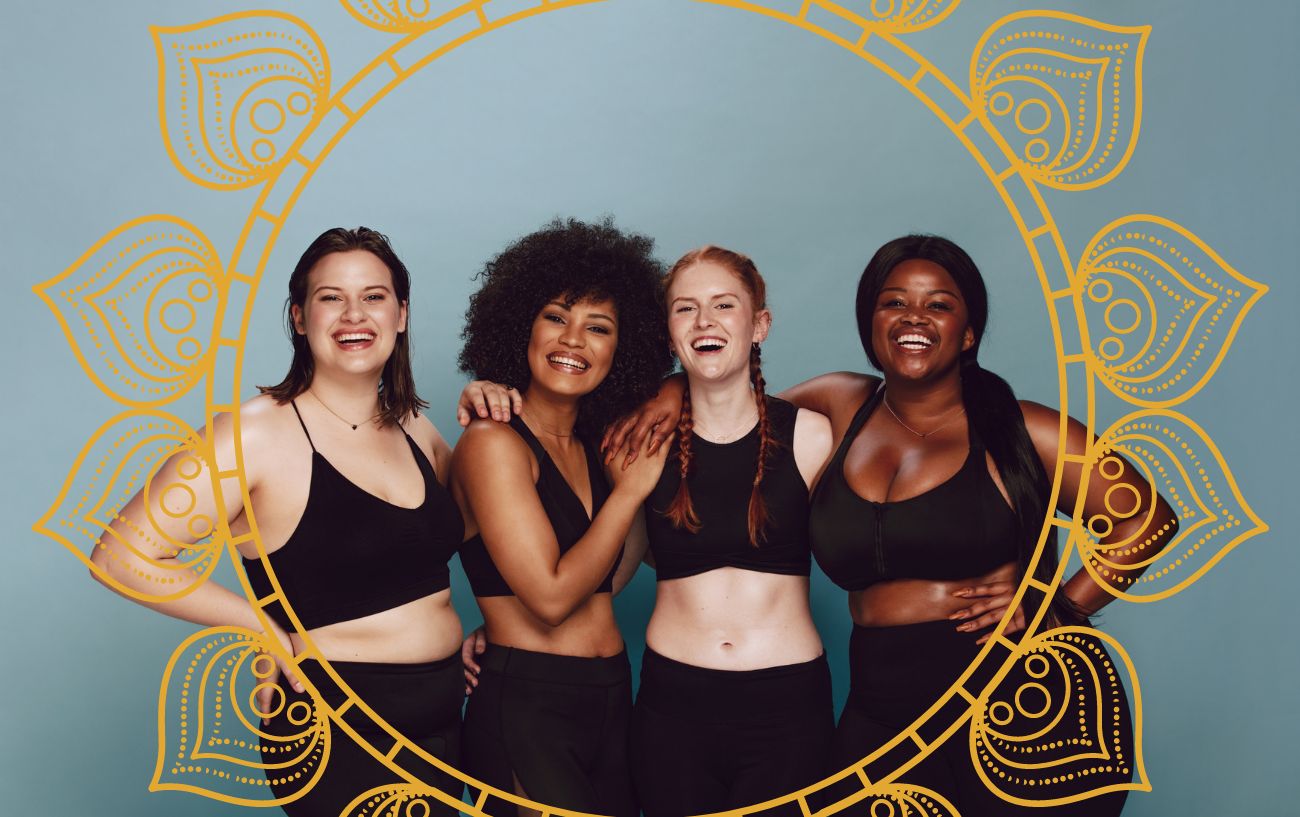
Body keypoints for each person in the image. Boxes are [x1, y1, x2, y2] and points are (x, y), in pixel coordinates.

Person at [603, 235, 1179, 815]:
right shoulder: (840, 404)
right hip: (882, 703)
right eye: (894, 302)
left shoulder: (1025, 428)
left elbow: (1149, 520)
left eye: (939, 305)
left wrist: (1058, 606)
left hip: (1021, 695)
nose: (914, 318)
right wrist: (672, 387)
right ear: (871, 323)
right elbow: (730, 407)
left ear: (969, 331)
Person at [90, 227, 468, 815]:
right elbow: (118, 556)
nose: (353, 314)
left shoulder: (417, 429)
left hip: (446, 721)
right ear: (298, 316)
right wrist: (262, 626)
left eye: (373, 296)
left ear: (401, 315)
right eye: (329, 297)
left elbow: (474, 533)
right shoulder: (251, 435)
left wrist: (494, 404)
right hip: (338, 726)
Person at [451, 217, 672, 817]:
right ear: (520, 325)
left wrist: (671, 395)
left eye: (598, 328)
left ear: (621, 350)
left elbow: (608, 576)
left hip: (609, 696)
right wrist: (630, 495)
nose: (573, 340)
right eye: (555, 317)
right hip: (528, 704)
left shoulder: (597, 447)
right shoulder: (492, 443)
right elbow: (549, 599)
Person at [627, 246, 835, 816]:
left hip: (788, 707)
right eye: (685, 309)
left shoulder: (813, 437)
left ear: (759, 324)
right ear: (670, 335)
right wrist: (503, 633)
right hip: (672, 706)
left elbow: (876, 543)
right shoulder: (642, 440)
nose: (705, 322)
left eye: (724, 305)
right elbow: (606, 561)